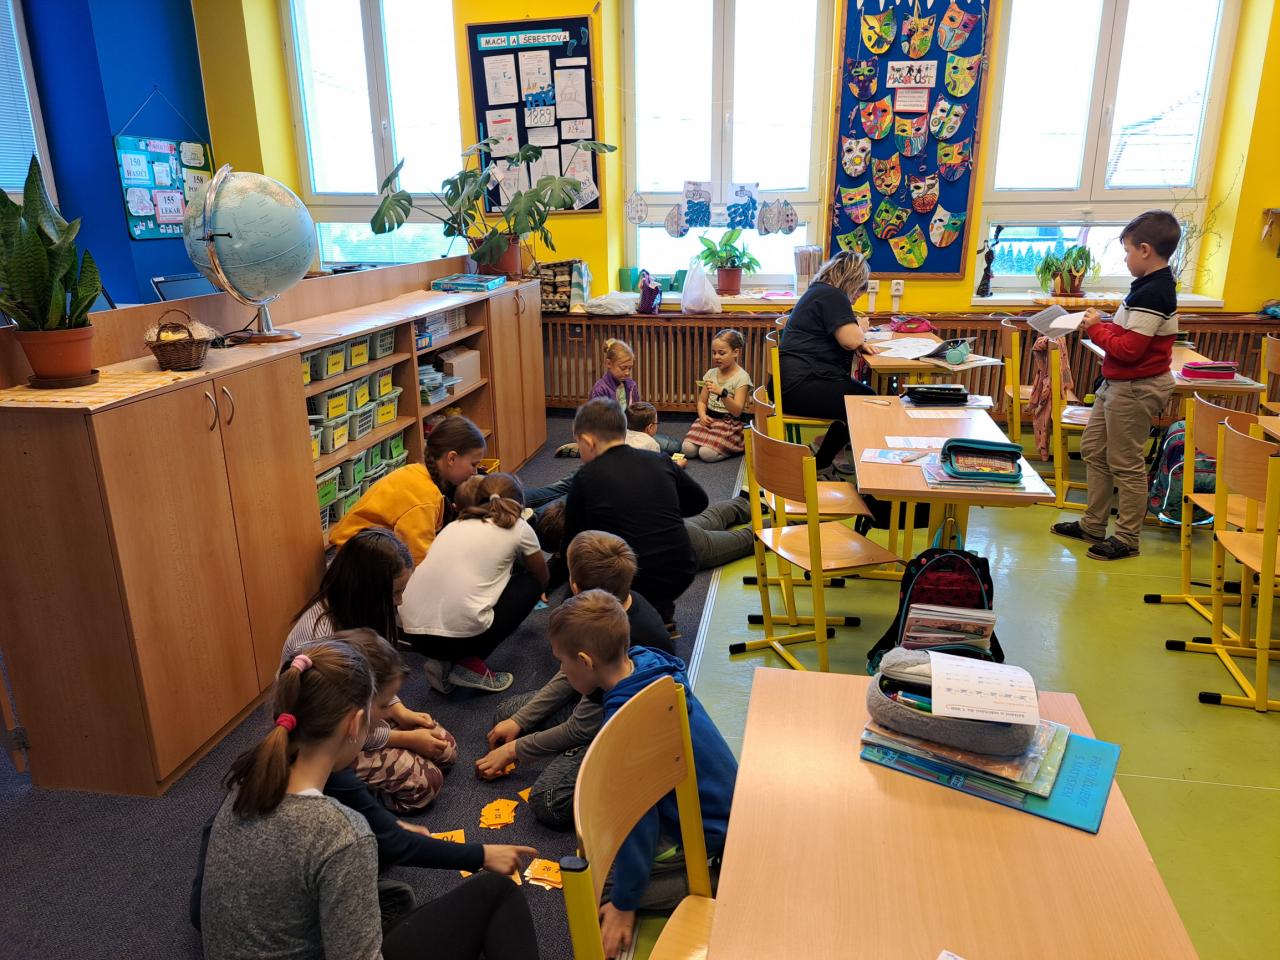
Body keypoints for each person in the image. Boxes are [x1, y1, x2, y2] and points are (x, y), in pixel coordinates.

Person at [199, 638, 539, 960]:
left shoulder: (249, 780)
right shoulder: (342, 833)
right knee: (496, 892)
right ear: (356, 724)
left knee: (393, 898)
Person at [547, 591, 736, 959]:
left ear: (585, 661)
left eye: (561, 662)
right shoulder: (646, 663)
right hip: (723, 804)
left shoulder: (626, 723)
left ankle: (718, 881)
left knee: (603, 890)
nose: (562, 671)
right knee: (612, 859)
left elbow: (640, 818)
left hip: (708, 828)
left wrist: (624, 904)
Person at [476, 531, 674, 827]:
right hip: (597, 701)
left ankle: (598, 767)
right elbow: (568, 676)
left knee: (549, 801)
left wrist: (515, 750)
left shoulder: (622, 656)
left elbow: (581, 726)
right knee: (509, 714)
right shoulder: (614, 611)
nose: (562, 666)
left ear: (576, 586)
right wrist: (521, 721)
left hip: (621, 724)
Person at [285, 530, 456, 813]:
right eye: (395, 593)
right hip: (324, 738)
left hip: (359, 718)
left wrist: (400, 711)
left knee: (446, 749)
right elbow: (342, 727)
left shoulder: (357, 613)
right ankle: (341, 794)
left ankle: (356, 784)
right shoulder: (326, 642)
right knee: (426, 784)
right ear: (367, 592)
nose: (399, 602)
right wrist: (404, 739)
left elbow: (377, 682)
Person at [1052, 210, 1180, 561]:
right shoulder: (1145, 288)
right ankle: (1093, 524)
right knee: (1094, 449)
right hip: (1119, 383)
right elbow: (1129, 334)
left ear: (1145, 250)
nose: (1125, 259)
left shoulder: (1154, 293)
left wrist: (1096, 329)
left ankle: (1127, 538)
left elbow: (1129, 350)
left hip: (1136, 387)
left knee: (1126, 462)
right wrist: (1102, 324)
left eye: (1127, 251)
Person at [562, 398, 709, 625]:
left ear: (588, 441)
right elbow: (699, 502)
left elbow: (571, 541)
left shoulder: (585, 477)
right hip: (681, 570)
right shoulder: (659, 459)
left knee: (584, 573)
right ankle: (661, 613)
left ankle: (635, 620)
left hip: (627, 580)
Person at [400, 473, 549, 693]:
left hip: (413, 634)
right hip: (461, 638)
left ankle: (444, 660)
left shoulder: (453, 526)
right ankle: (468, 661)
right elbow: (542, 574)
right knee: (531, 583)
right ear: (519, 502)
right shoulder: (519, 527)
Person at [330, 416, 487, 565]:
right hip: (356, 561)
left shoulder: (417, 471)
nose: (475, 472)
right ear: (451, 458)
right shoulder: (425, 497)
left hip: (358, 550)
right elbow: (419, 563)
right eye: (473, 465)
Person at [775, 250, 875, 472]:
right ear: (851, 280)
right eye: (858, 290)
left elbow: (841, 337)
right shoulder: (833, 296)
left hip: (789, 383)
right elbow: (850, 340)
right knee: (868, 402)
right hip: (799, 385)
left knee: (863, 397)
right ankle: (822, 463)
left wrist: (857, 338)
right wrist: (861, 329)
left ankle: (824, 450)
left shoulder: (819, 291)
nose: (856, 297)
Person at [558, 339, 681, 456]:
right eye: (623, 368)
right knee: (640, 449)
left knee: (674, 446)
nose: (627, 372)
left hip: (630, 432)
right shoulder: (600, 389)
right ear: (608, 364)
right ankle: (588, 448)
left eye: (629, 368)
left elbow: (636, 413)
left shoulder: (631, 385)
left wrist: (644, 427)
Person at [682, 329, 752, 462]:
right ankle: (716, 444)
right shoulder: (711, 373)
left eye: (722, 353)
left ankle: (735, 446)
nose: (716, 357)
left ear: (736, 352)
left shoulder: (742, 377)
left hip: (729, 424)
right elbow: (702, 401)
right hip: (710, 420)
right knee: (687, 449)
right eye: (714, 353)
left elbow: (737, 411)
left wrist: (722, 394)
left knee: (706, 454)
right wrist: (702, 415)